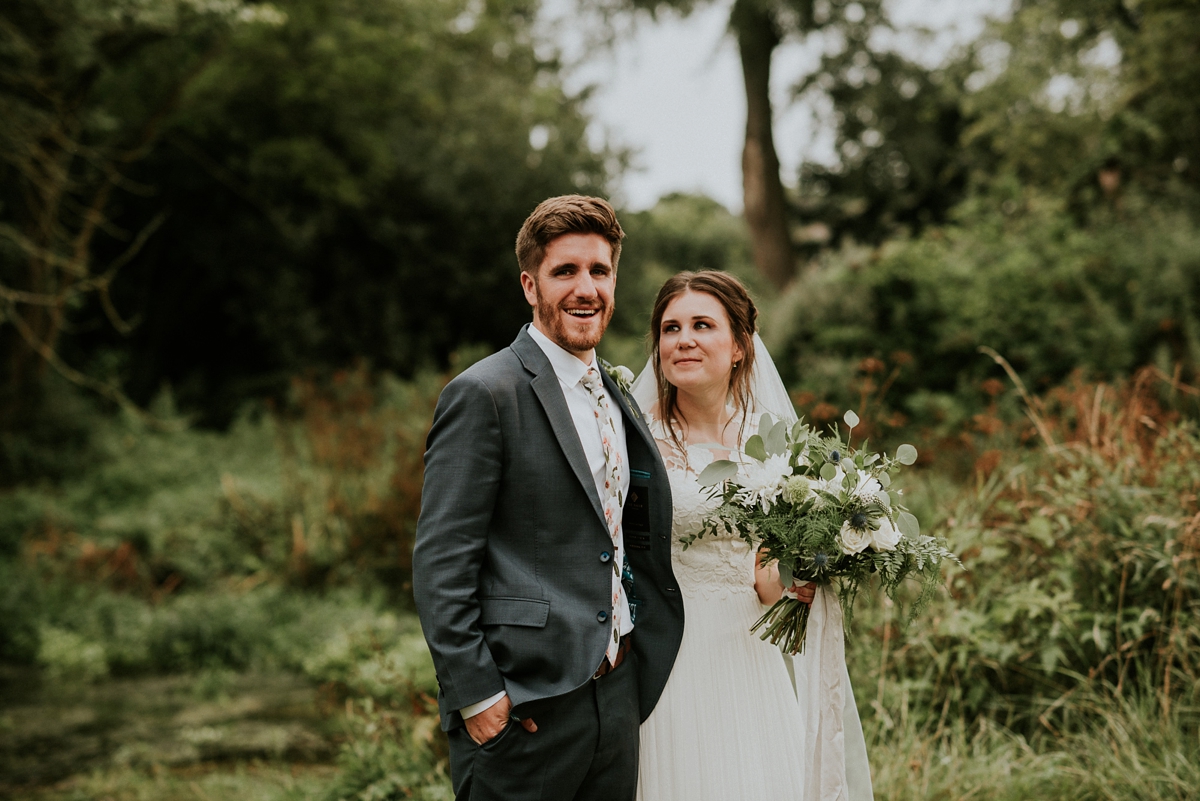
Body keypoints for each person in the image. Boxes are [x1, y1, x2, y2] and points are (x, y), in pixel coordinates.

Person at [412, 195, 685, 801]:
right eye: (566, 271)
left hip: (616, 698)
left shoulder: (616, 395)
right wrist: (480, 696)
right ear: (530, 285)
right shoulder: (484, 393)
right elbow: (441, 564)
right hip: (524, 707)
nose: (586, 288)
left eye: (600, 270)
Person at [630, 270, 873, 801]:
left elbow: (765, 577)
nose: (683, 340)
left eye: (701, 325)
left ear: (739, 346)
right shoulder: (634, 439)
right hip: (667, 654)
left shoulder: (774, 439)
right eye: (670, 329)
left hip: (750, 653)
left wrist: (801, 574)